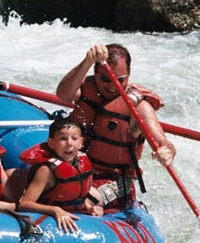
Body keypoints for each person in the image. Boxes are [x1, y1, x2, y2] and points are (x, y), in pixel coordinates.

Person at [55, 44, 175, 210]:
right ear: (95, 73)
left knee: (74, 199)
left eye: (120, 80)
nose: (112, 85)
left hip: (114, 181)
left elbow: (163, 142)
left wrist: (166, 151)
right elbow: (63, 95)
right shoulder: (85, 88)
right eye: (105, 79)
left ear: (129, 75)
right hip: (76, 167)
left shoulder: (139, 107)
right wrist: (87, 61)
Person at [15, 118, 100, 233]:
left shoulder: (82, 161)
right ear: (51, 143)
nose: (69, 143)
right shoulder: (46, 171)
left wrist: (90, 208)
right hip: (48, 210)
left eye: (74, 139)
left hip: (75, 209)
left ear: (81, 142)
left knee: (98, 199)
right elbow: (25, 204)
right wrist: (55, 210)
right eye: (63, 139)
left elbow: (77, 195)